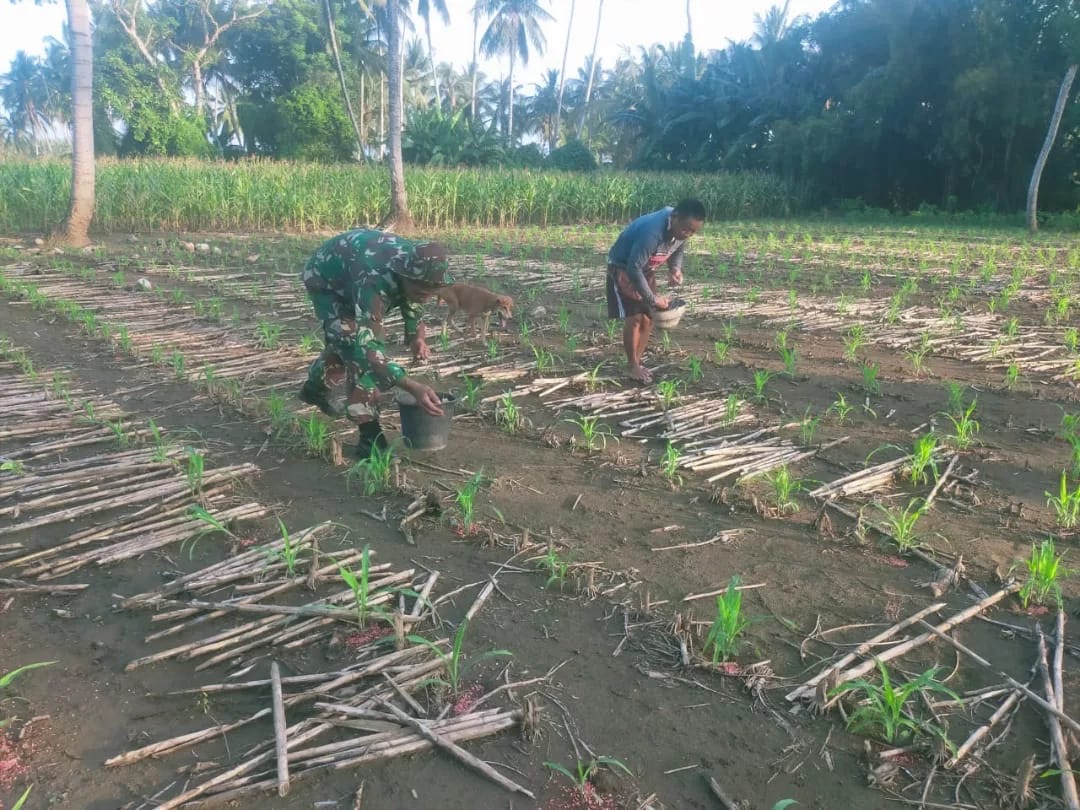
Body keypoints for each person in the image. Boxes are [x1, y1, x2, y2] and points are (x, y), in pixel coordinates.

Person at [299, 229, 451, 458]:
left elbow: (414, 300)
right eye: (420, 291)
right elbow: (368, 351)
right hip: (327, 280)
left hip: (354, 270)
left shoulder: (415, 269)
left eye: (431, 292)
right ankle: (369, 438)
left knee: (344, 343)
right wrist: (412, 386)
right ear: (404, 277)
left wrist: (417, 337)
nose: (425, 297)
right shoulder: (374, 282)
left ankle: (314, 390)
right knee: (353, 347)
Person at [606, 199, 706, 383]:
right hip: (624, 268)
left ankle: (636, 362)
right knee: (635, 317)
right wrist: (653, 299)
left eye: (693, 232)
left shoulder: (680, 230)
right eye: (686, 229)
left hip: (644, 269)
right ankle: (632, 366)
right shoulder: (651, 232)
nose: (688, 234)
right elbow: (633, 268)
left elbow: (678, 246)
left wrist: (675, 269)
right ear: (674, 217)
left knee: (648, 318)